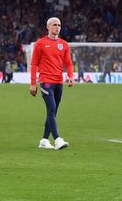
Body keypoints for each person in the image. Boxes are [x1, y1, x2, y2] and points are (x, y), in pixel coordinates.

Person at [30, 17, 74, 150]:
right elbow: (34, 64)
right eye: (54, 25)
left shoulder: (64, 44)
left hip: (59, 82)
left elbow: (68, 63)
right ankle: (57, 140)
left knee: (52, 112)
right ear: (48, 27)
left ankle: (44, 140)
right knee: (52, 108)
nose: (57, 27)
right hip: (46, 82)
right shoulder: (40, 44)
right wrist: (33, 83)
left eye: (59, 25)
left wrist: (71, 76)